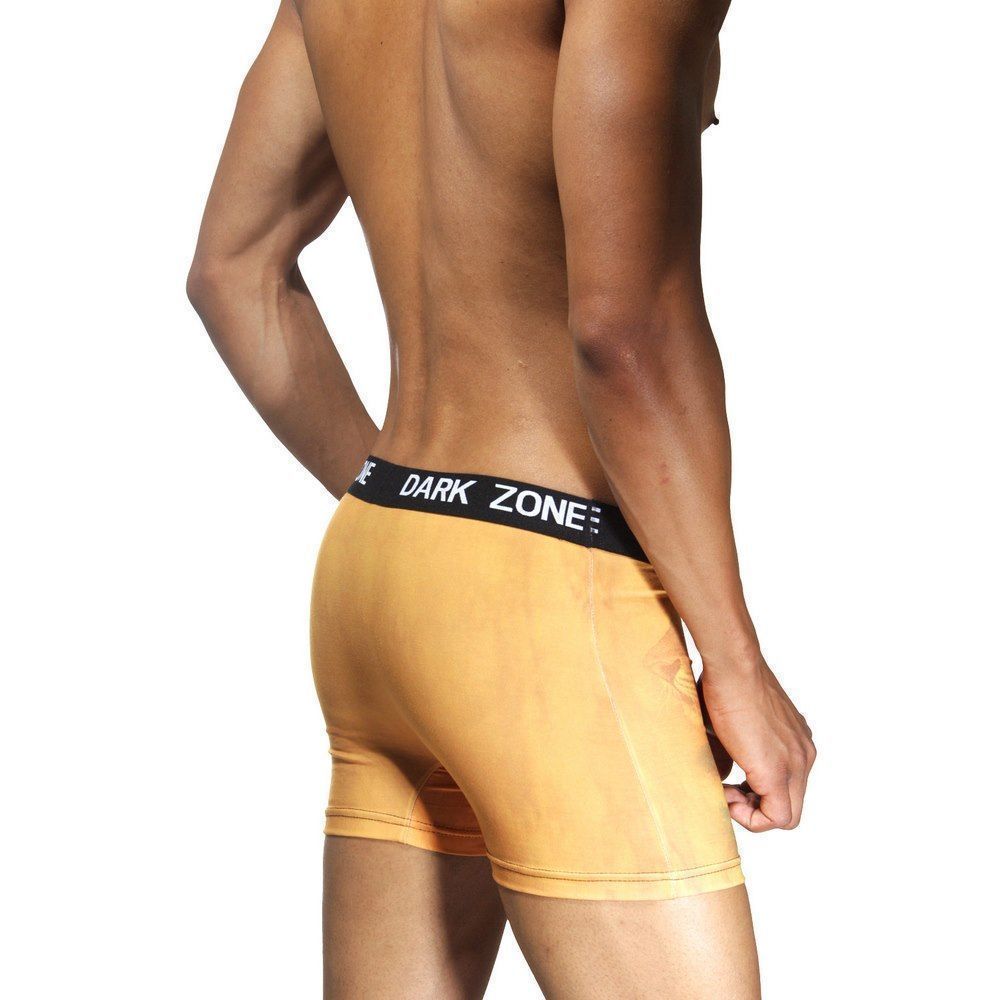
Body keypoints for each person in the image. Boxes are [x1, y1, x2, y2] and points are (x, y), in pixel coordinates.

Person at [187, 1, 815, 996]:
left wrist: (427, 522)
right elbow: (624, 331)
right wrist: (736, 662)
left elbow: (232, 271)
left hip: (379, 559)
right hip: (551, 598)